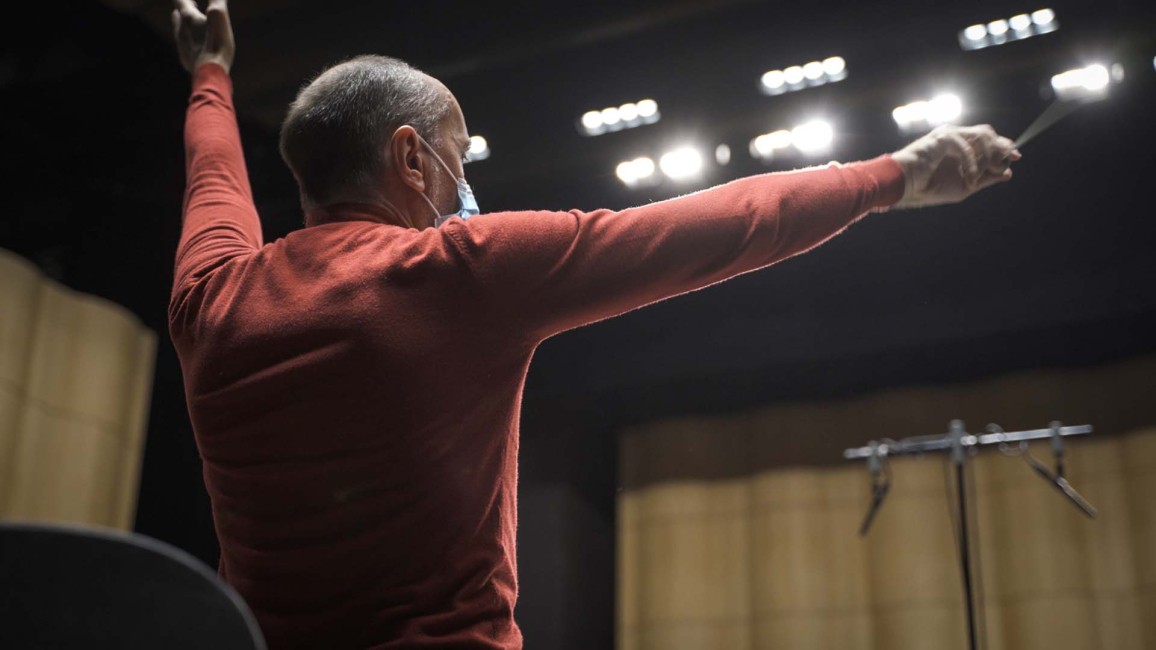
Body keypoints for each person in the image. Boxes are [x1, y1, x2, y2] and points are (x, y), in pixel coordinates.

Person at [169, 1, 1020, 648]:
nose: (465, 183)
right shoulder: (459, 276)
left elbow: (214, 175)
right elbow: (725, 224)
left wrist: (211, 74)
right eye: (459, 157)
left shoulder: (210, 299)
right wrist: (894, 175)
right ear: (410, 158)